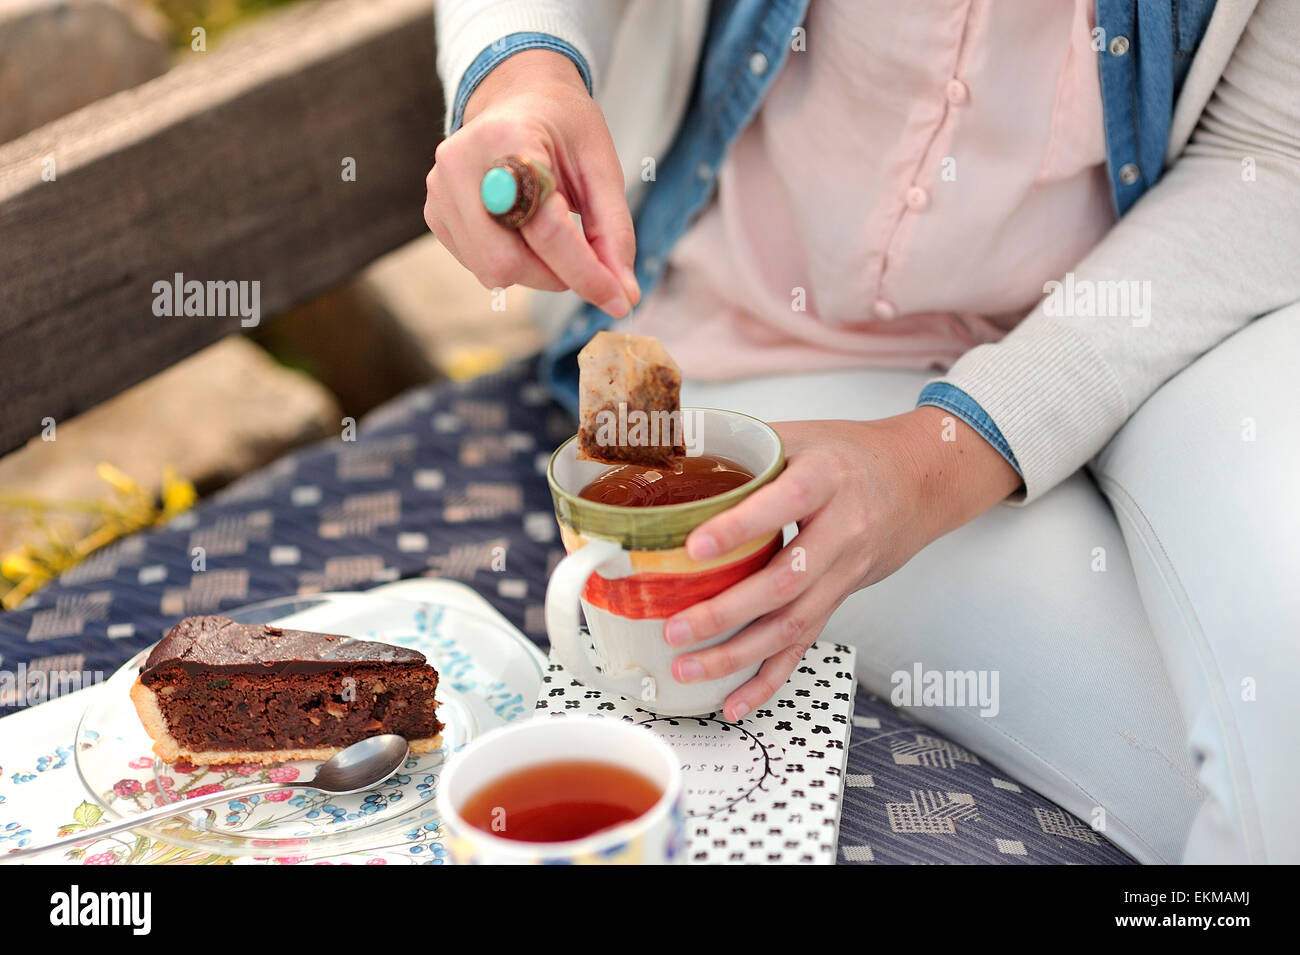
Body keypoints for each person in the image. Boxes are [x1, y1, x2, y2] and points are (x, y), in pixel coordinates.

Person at [424, 1, 1300, 864]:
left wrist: (941, 460)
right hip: (776, 351)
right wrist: (520, 78)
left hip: (1184, 321)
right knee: (1207, 785)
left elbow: (1272, 153)